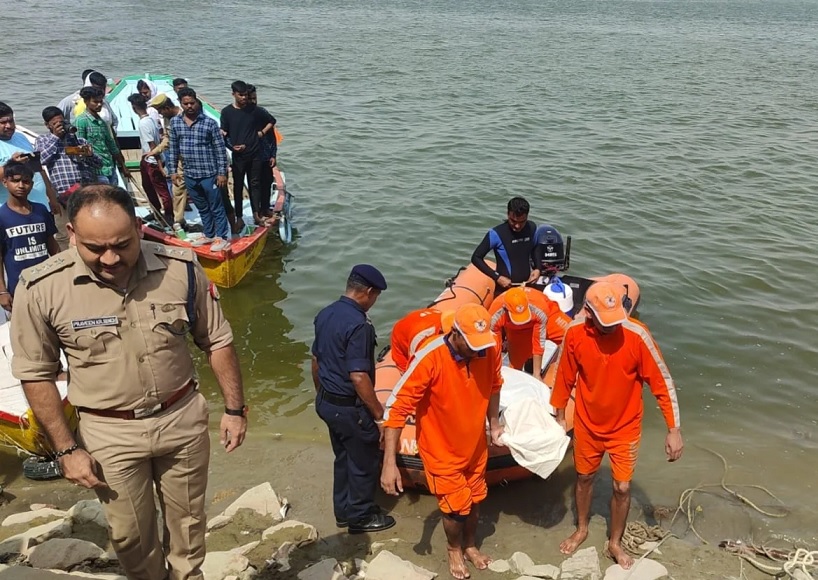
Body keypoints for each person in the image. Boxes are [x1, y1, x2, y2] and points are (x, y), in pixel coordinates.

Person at [11, 184, 248, 580]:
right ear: (70, 234)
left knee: (189, 526)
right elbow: (35, 373)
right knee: (130, 537)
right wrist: (66, 449)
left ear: (139, 228)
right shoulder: (41, 288)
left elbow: (217, 339)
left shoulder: (181, 267)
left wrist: (235, 409)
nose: (110, 258)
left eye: (122, 244)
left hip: (182, 418)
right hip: (109, 431)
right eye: (95, 247)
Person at [550, 281, 683, 569]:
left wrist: (673, 429)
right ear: (588, 312)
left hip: (626, 427)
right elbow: (563, 377)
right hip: (587, 424)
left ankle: (614, 542)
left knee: (622, 488)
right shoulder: (574, 334)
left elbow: (662, 383)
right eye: (604, 322)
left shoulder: (637, 335)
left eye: (615, 321)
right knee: (584, 478)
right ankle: (582, 528)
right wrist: (559, 416)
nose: (611, 327)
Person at [381, 303, 504, 580]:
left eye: (482, 345)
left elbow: (495, 384)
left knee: (475, 500)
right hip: (441, 451)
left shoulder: (490, 347)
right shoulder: (430, 358)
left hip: (475, 446)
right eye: (472, 345)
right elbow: (396, 410)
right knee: (455, 511)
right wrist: (389, 464)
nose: (478, 351)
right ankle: (453, 548)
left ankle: (471, 544)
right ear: (456, 334)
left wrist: (494, 424)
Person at [311, 265, 396, 534]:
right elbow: (359, 376)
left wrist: (321, 393)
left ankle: (343, 510)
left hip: (327, 401)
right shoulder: (359, 325)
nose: (374, 302)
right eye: (376, 296)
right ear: (368, 292)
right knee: (363, 459)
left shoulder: (326, 314)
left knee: (343, 456)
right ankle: (360, 515)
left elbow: (316, 360)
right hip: (349, 408)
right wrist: (379, 416)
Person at [167, 88, 230, 251]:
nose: (189, 106)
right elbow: (173, 148)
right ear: (180, 104)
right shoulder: (175, 122)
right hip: (190, 174)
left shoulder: (209, 123)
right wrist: (173, 170)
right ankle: (209, 234)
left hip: (210, 173)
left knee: (216, 206)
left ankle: (222, 237)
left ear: (197, 102)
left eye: (192, 103)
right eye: (185, 103)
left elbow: (220, 150)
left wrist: (222, 173)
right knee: (202, 206)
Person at [34, 107, 103, 249]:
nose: (61, 126)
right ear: (48, 125)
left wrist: (89, 154)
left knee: (89, 227)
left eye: (62, 122)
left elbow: (98, 163)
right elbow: (40, 160)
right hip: (62, 195)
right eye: (56, 123)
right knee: (64, 233)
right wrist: (56, 138)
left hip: (85, 191)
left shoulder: (78, 140)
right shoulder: (44, 140)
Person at [0, 162, 59, 312]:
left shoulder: (41, 210)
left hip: (49, 284)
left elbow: (53, 247)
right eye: (15, 180)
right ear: (5, 182)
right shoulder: (2, 216)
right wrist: (2, 291)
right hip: (19, 288)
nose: (21, 185)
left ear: (32, 184)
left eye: (26, 181)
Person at [220, 81, 275, 226]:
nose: (244, 98)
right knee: (238, 186)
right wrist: (232, 147)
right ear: (233, 94)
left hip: (255, 154)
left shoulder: (254, 110)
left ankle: (256, 215)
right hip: (238, 156)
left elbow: (272, 121)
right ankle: (239, 217)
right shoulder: (226, 112)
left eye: (246, 95)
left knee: (255, 185)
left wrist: (262, 133)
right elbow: (224, 134)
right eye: (241, 95)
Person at [488, 286, 571, 378]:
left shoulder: (540, 310)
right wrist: (495, 375)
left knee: (572, 336)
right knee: (516, 366)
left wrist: (537, 374)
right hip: (516, 330)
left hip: (546, 317)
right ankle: (528, 361)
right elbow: (495, 348)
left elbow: (539, 341)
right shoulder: (495, 315)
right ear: (505, 309)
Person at [0, 101, 60, 213]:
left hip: (40, 205)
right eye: (3, 122)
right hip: (10, 212)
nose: (8, 126)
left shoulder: (21, 137)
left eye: (11, 121)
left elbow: (39, 169)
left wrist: (52, 198)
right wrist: (11, 163)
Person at [471, 197, 539, 293]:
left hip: (527, 286)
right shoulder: (496, 234)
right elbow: (476, 257)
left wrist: (538, 268)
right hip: (504, 289)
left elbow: (536, 248)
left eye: (522, 222)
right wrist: (497, 277)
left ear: (527, 216)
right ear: (508, 214)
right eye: (513, 221)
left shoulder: (532, 228)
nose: (517, 226)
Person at [128, 94, 173, 224]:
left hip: (152, 160)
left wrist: (159, 165)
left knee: (161, 190)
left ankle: (169, 216)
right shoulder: (151, 120)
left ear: (134, 107)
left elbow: (153, 146)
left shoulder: (143, 124)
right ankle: (157, 212)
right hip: (147, 159)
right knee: (148, 186)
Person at [148, 94, 189, 228]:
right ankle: (179, 220)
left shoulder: (186, 114)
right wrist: (156, 151)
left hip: (195, 159)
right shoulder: (167, 119)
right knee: (178, 189)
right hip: (179, 159)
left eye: (160, 111)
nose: (160, 114)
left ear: (166, 107)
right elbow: (167, 138)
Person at [75, 87, 129, 185]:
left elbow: (111, 145)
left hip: (109, 167)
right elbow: (80, 149)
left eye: (101, 102)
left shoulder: (102, 122)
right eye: (95, 102)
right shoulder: (81, 121)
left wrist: (123, 166)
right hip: (96, 172)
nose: (99, 105)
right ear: (86, 101)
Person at [246, 84, 277, 222]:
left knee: (268, 181)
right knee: (255, 185)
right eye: (250, 99)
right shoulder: (241, 114)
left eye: (255, 98)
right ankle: (256, 212)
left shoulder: (261, 112)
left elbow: (272, 135)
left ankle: (265, 208)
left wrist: (273, 154)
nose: (253, 101)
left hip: (265, 154)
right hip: (250, 156)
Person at [390, 307, 453, 373]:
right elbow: (414, 364)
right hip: (400, 336)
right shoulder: (421, 337)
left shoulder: (451, 320)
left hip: (421, 319)